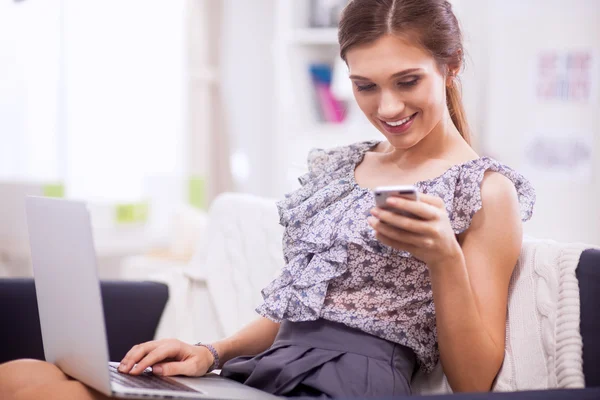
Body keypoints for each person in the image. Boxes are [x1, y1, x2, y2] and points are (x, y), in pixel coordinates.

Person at [0, 0, 536, 398]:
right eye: (366, 85)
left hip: (351, 382)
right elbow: (301, 310)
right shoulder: (340, 167)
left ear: (452, 65)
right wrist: (212, 351)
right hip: (273, 366)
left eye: (407, 80)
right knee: (20, 376)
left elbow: (474, 381)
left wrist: (443, 256)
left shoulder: (487, 189)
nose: (387, 105)